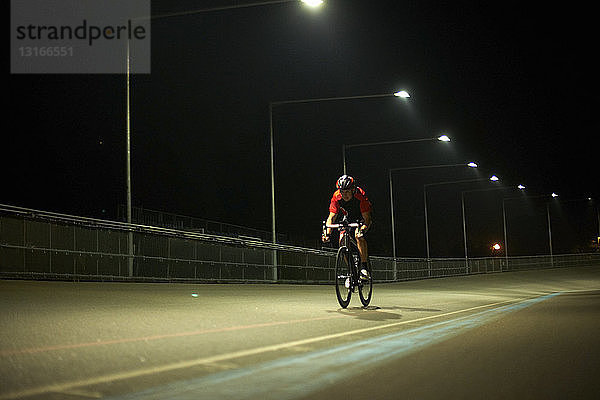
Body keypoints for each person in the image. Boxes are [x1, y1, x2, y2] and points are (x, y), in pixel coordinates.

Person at [322, 175, 372, 279]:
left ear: (353, 190)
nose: (345, 195)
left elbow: (367, 218)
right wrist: (327, 233)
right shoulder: (336, 196)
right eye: (342, 192)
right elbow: (331, 217)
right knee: (342, 241)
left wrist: (363, 229)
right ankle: (351, 271)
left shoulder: (360, 195)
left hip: (361, 217)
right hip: (347, 218)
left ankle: (364, 267)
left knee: (359, 236)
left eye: (347, 192)